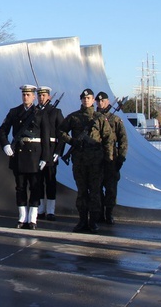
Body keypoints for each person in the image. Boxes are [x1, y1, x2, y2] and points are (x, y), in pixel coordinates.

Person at [58, 88, 113, 233]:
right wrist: (71, 141)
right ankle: (82, 220)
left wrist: (108, 159)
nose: (86, 100)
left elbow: (108, 139)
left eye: (88, 98)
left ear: (93, 100)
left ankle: (93, 221)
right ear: (81, 100)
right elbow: (60, 131)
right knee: (82, 192)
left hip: (96, 162)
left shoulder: (100, 118)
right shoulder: (74, 117)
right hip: (80, 161)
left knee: (95, 192)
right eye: (84, 98)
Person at [0, 84, 50, 230]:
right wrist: (5, 145)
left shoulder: (40, 113)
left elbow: (45, 137)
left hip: (35, 154)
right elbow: (2, 130)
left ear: (34, 96)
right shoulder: (14, 112)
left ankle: (32, 218)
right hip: (19, 154)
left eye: (29, 95)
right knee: (20, 187)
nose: (26, 97)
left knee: (35, 187)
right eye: (24, 95)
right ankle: (22, 217)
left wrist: (45, 157)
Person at [95, 91, 128, 225]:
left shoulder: (115, 120)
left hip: (111, 159)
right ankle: (99, 213)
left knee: (111, 189)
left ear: (107, 102)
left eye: (103, 101)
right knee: (96, 188)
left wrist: (121, 158)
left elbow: (123, 140)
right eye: (98, 101)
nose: (101, 103)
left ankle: (109, 213)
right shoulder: (94, 117)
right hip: (96, 159)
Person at [36, 86, 65, 221]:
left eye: (44, 96)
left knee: (50, 181)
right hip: (38, 151)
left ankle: (51, 210)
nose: (41, 98)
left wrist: (58, 151)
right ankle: (41, 209)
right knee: (38, 182)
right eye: (39, 96)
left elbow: (62, 134)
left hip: (51, 150)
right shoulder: (35, 111)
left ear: (49, 96)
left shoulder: (56, 112)